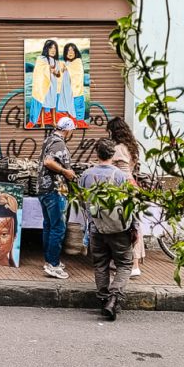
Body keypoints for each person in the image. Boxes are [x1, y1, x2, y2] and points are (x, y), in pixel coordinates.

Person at [79, 137, 133, 320]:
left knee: (100, 264)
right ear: (113, 154)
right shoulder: (120, 176)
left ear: (97, 153)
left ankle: (104, 300)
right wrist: (135, 228)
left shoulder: (86, 175)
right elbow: (129, 204)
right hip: (118, 229)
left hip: (96, 227)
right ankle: (114, 297)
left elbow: (82, 201)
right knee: (124, 264)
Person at [39, 117, 76, 279]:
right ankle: (53, 265)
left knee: (48, 226)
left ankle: (49, 260)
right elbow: (48, 162)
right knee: (58, 228)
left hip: (44, 189)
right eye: (72, 130)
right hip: (55, 190)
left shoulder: (48, 140)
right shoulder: (59, 143)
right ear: (67, 130)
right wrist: (65, 171)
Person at [107, 116, 144, 277]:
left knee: (126, 226)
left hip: (123, 190)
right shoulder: (131, 147)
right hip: (131, 188)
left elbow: (118, 170)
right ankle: (126, 262)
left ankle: (133, 265)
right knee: (133, 225)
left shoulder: (118, 149)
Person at [28, 39, 63, 127]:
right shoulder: (41, 59)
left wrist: (56, 72)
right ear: (46, 49)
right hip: (44, 85)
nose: (53, 50)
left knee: (53, 103)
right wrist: (48, 68)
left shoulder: (56, 61)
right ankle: (42, 123)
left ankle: (54, 122)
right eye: (51, 48)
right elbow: (38, 71)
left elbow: (58, 75)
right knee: (44, 103)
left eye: (55, 48)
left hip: (53, 85)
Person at [62, 42, 86, 122]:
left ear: (76, 52)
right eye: (68, 50)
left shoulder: (77, 61)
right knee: (70, 119)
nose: (70, 52)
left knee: (78, 118)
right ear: (65, 53)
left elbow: (75, 72)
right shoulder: (67, 63)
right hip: (69, 95)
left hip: (77, 95)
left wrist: (65, 68)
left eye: (72, 50)